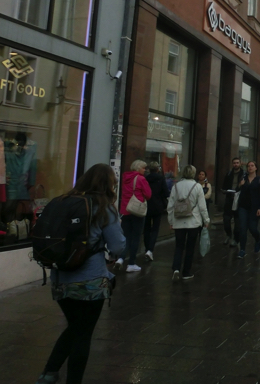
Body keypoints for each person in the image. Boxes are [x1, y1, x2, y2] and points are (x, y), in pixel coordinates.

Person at [34, 164, 125, 384]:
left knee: (75, 327)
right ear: (109, 184)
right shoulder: (103, 207)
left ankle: (49, 373)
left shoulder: (62, 201)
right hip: (90, 281)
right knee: (82, 334)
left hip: (60, 279)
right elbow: (118, 245)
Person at [167, 165, 210, 281]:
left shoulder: (176, 186)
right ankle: (186, 272)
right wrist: (206, 220)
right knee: (190, 247)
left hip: (178, 220)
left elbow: (170, 205)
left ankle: (176, 268)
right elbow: (202, 206)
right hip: (193, 221)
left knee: (179, 246)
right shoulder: (197, 186)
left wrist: (170, 220)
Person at [116, 160, 152, 273]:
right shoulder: (141, 179)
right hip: (136, 211)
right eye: (143, 168)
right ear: (138, 168)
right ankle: (131, 263)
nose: (144, 170)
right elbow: (148, 194)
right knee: (136, 237)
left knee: (126, 236)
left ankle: (121, 259)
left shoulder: (125, 178)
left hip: (125, 210)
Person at [235, 160, 260, 258]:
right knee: (242, 228)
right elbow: (237, 190)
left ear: (256, 168)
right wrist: (240, 185)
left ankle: (257, 239)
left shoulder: (259, 180)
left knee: (252, 228)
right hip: (243, 206)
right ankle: (242, 250)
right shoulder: (243, 178)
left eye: (252, 166)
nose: (250, 167)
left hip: (254, 207)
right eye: (248, 166)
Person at [143, 161, 169, 262]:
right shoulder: (161, 178)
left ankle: (147, 248)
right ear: (158, 169)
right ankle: (150, 250)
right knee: (155, 229)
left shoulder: (145, 178)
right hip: (158, 206)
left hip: (146, 205)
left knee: (146, 229)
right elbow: (165, 192)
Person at [221, 158, 244, 246]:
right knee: (226, 219)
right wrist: (224, 190)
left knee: (237, 221)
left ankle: (236, 239)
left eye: (237, 163)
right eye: (234, 163)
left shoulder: (244, 174)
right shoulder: (229, 174)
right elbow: (224, 185)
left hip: (239, 199)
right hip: (229, 198)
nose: (236, 164)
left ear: (240, 163)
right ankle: (228, 234)